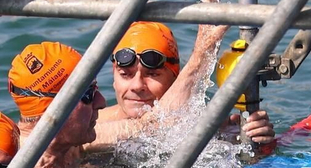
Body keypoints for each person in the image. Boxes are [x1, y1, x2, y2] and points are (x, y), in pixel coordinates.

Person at [94, 18, 273, 151]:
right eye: (125, 75)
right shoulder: (87, 127)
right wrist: (200, 58)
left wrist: (259, 142)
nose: (136, 85)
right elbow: (150, 127)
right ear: (114, 77)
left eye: (153, 74)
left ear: (175, 79)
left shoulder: (212, 126)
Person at [7, 41, 108, 168]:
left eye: (94, 87)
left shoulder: (72, 144)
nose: (101, 102)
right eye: (88, 93)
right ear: (54, 111)